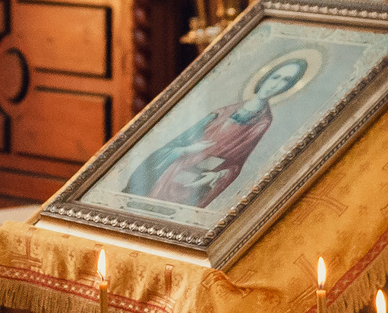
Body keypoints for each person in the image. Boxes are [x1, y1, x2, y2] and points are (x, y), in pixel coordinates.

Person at [123, 54, 313, 210]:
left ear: (288, 87)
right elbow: (176, 142)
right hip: (172, 169)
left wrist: (217, 176)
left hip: (196, 181)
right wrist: (185, 150)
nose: (276, 84)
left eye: (286, 81)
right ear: (266, 77)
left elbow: (237, 163)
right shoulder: (221, 112)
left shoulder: (262, 122)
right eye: (276, 77)